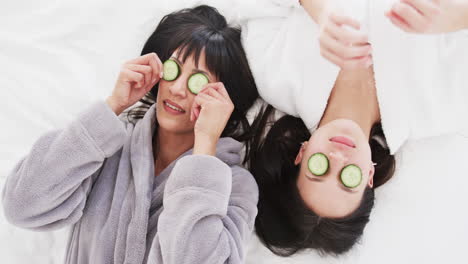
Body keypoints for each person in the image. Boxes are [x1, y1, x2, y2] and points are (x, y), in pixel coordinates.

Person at [2, 5, 260, 264]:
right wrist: (113, 105)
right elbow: (22, 206)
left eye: (199, 81)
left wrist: (205, 146)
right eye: (174, 69)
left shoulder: (235, 186)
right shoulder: (107, 148)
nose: (179, 88)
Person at [244, 0, 468, 256]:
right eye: (348, 178)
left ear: (301, 154)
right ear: (369, 177)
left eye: (320, 168)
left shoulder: (275, 76)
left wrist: (320, 11)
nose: (338, 158)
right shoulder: (438, 107)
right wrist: (458, 16)